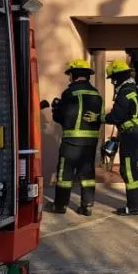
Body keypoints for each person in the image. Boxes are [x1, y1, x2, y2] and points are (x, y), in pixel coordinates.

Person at [46, 59, 103, 216]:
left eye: (70, 74)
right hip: (90, 143)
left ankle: (60, 206)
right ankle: (87, 207)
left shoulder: (69, 93)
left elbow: (61, 117)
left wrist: (56, 108)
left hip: (71, 143)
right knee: (88, 175)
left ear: (74, 75)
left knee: (65, 175)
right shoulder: (96, 95)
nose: (69, 77)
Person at [103, 59, 138, 216]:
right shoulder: (133, 88)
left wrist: (100, 117)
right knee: (133, 167)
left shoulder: (124, 92)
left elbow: (116, 116)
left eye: (113, 78)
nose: (113, 82)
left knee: (127, 170)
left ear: (118, 77)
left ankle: (135, 206)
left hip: (131, 135)